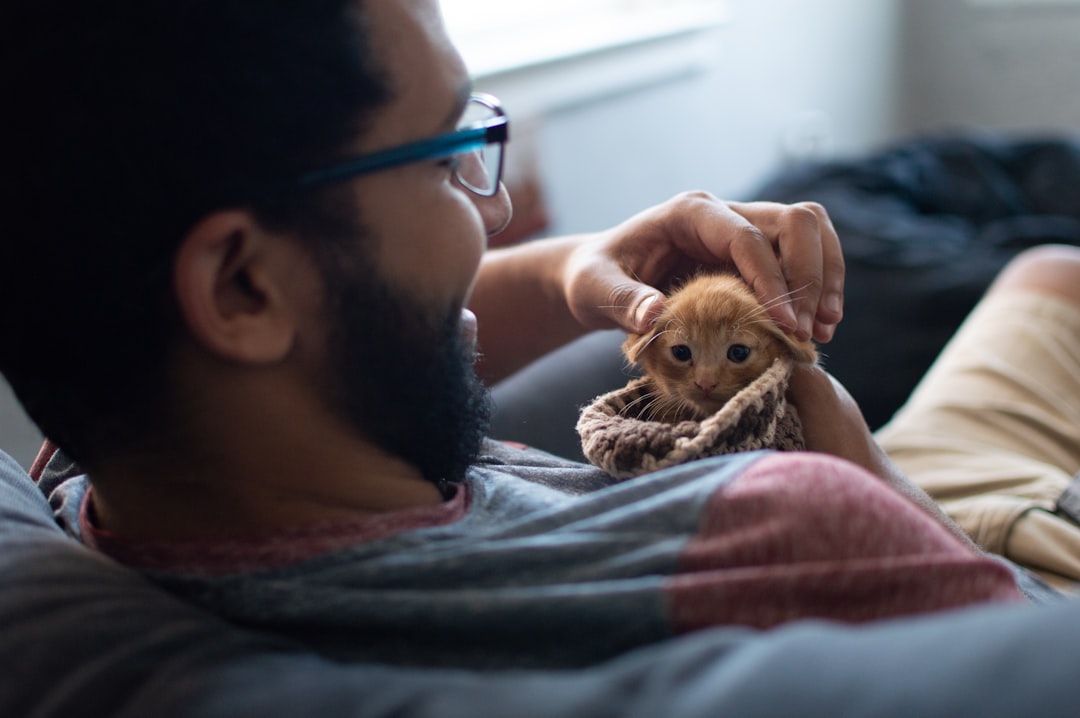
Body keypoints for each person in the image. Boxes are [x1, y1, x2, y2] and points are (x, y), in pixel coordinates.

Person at [0, 0, 1067, 716]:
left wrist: (572, 274)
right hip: (993, 545)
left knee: (1047, 277)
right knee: (1052, 272)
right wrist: (863, 468)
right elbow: (1022, 624)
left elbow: (363, 329)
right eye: (446, 152)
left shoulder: (80, 471)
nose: (499, 205)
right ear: (242, 285)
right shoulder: (797, 522)